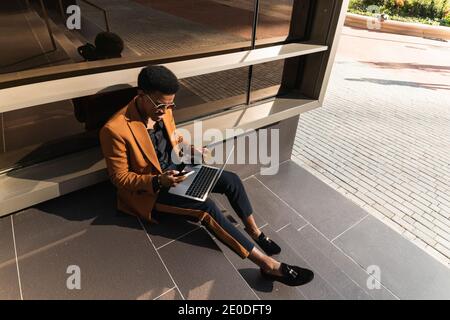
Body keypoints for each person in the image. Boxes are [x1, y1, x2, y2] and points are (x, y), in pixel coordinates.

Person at [99, 65, 314, 286]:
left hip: (178, 170)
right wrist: (158, 181)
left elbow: (174, 138)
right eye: (160, 105)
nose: (165, 111)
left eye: (170, 104)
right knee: (207, 208)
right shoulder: (115, 130)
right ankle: (268, 265)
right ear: (141, 95)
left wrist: (193, 149)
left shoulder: (164, 110)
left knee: (231, 180)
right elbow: (119, 179)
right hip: (151, 191)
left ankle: (255, 232)